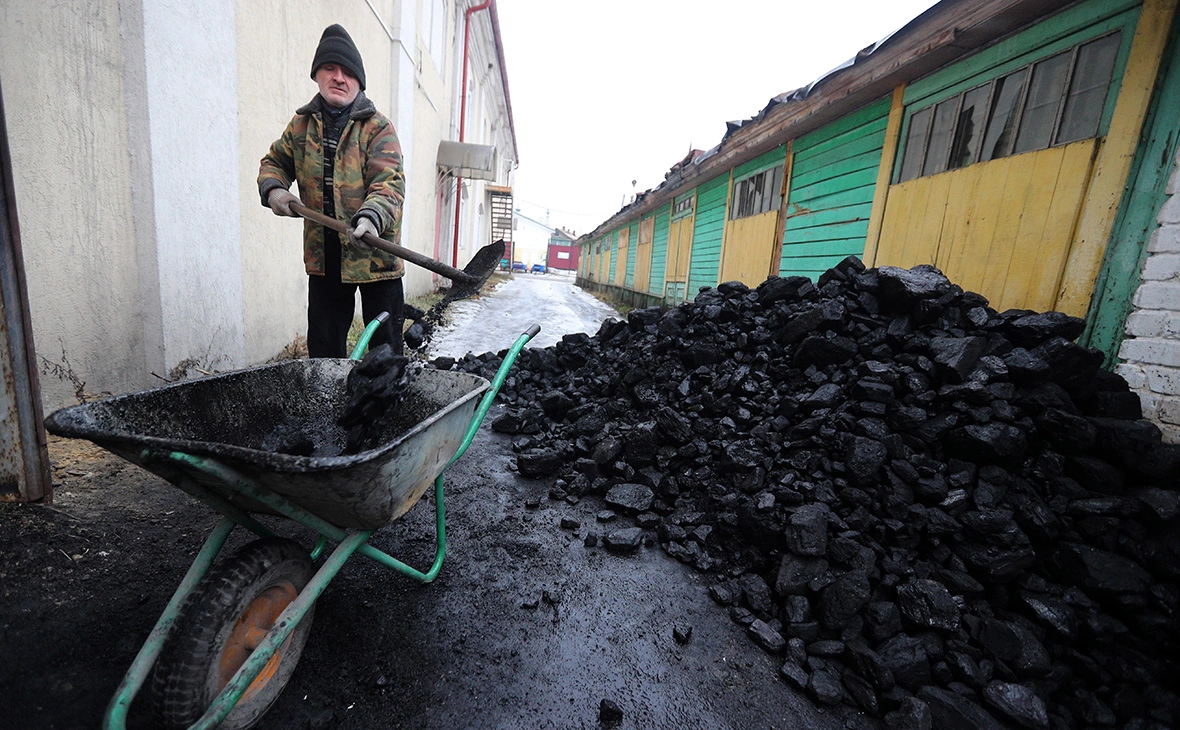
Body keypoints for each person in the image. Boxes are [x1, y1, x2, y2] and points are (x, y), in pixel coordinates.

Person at [258, 24, 405, 358]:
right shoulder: (301, 126)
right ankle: (330, 407)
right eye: (330, 68)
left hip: (375, 254)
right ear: (317, 75)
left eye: (348, 72)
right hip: (325, 257)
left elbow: (390, 183)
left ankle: (383, 406)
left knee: (384, 353)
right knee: (324, 351)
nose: (339, 77)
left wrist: (371, 217)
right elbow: (274, 162)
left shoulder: (377, 128)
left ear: (359, 81)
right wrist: (274, 190)